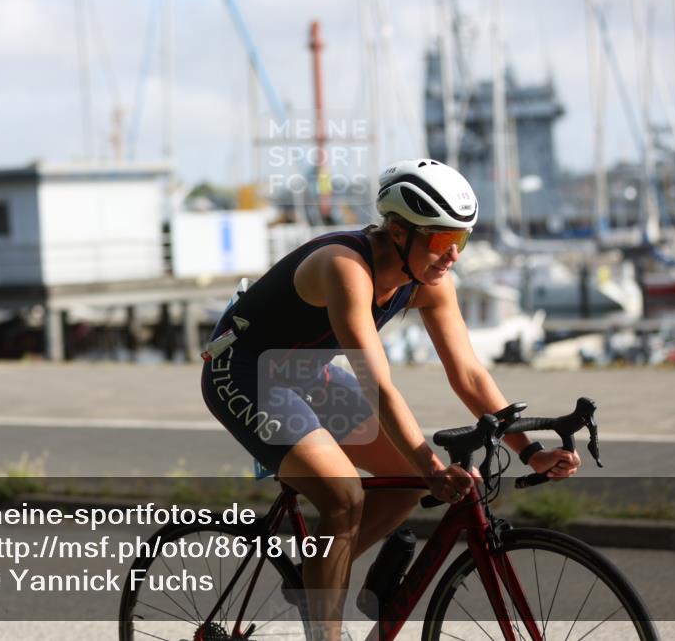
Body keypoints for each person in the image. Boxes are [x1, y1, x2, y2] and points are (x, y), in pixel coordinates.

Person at [200, 159, 581, 640]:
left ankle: (313, 577)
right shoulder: (345, 267)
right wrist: (432, 465)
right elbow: (377, 384)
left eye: (460, 241)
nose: (453, 256)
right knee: (344, 497)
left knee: (404, 485)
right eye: (443, 241)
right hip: (244, 371)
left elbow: (467, 373)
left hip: (305, 376)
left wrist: (529, 449)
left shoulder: (430, 284)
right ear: (399, 232)